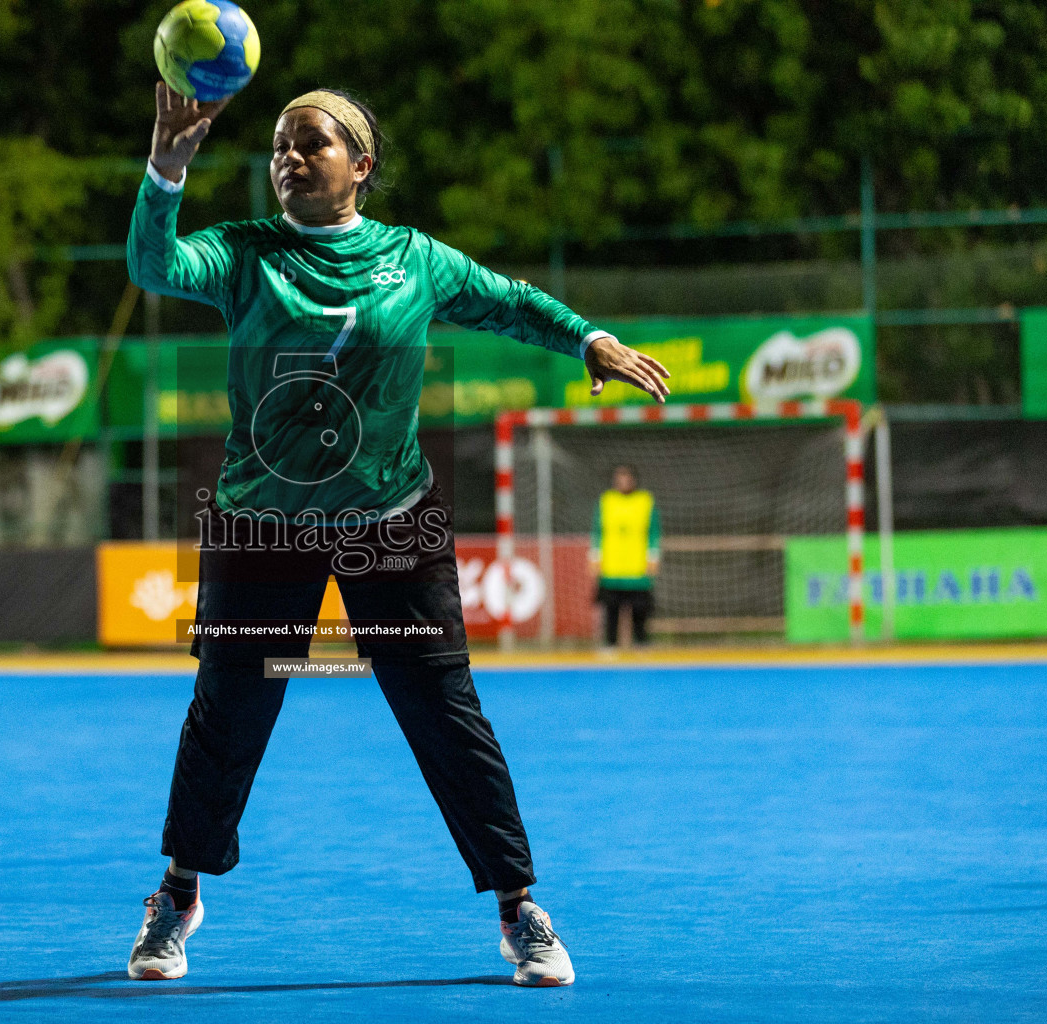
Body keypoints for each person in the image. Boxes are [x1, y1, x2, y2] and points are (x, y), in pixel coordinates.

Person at [123, 83, 671, 987]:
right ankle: (176, 896)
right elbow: (154, 266)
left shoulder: (412, 260)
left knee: (443, 714)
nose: (289, 159)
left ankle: (518, 905)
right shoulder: (244, 254)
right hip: (264, 526)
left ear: (361, 166)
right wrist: (165, 170)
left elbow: (510, 301)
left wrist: (587, 339)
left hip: (391, 524)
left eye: (311, 144)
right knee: (231, 712)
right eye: (278, 147)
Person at [590, 465, 661, 648]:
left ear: (634, 480)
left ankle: (642, 643)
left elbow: (654, 532)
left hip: (637, 566)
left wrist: (653, 556)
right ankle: (610, 643)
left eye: (627, 478)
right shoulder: (606, 501)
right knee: (611, 608)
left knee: (640, 608)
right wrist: (595, 556)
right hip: (612, 566)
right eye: (619, 478)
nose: (623, 482)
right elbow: (598, 531)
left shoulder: (645, 501)